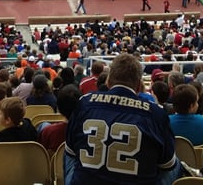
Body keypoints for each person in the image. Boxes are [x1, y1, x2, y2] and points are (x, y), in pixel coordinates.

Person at [66, 53, 181, 184]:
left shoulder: (85, 103)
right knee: (176, 164)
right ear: (139, 86)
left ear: (108, 82)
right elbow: (167, 164)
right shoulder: (156, 113)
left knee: (70, 155)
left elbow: (71, 151)